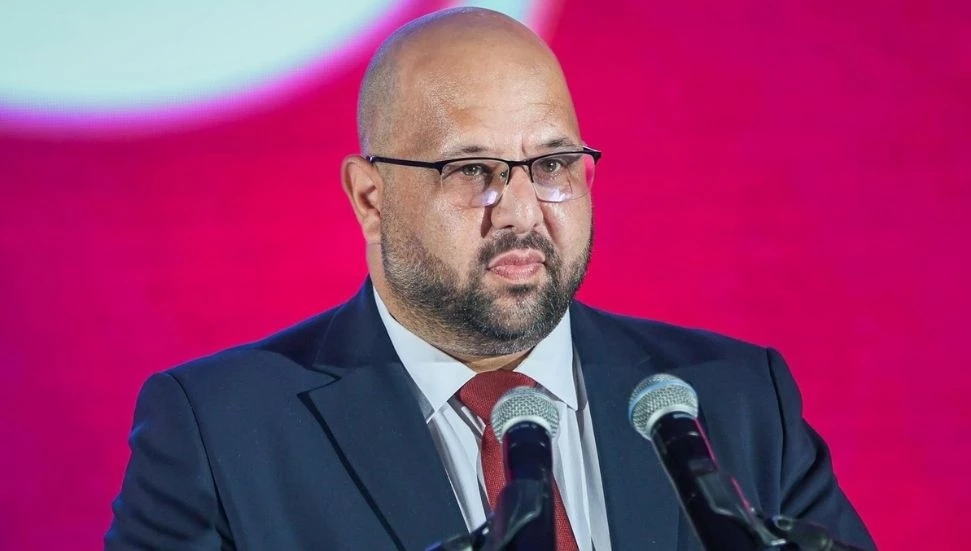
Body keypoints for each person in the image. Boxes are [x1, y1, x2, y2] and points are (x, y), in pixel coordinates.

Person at [106, 7, 875, 551]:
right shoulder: (221, 432)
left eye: (551, 164)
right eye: (471, 169)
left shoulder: (735, 401)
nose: (520, 209)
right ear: (370, 198)